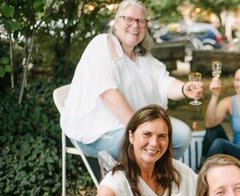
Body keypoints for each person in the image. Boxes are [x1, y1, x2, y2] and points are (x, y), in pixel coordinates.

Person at [60, 0, 203, 163]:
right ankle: (140, 183)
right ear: (117, 22)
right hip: (98, 132)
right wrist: (139, 128)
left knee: (181, 135)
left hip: (137, 127)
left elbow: (164, 83)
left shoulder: (144, 58)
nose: (135, 25)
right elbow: (108, 94)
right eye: (129, 19)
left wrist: (185, 88)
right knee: (148, 144)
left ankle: (150, 180)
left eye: (141, 21)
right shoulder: (102, 44)